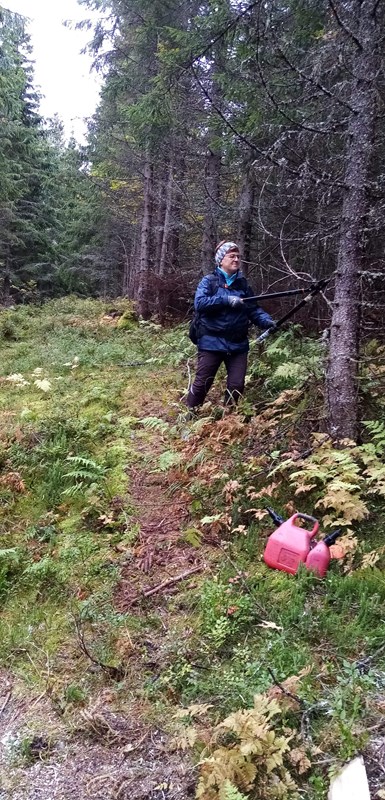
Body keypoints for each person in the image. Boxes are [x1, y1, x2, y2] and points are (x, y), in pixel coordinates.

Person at [186, 240, 276, 410]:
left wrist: (267, 321)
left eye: (238, 257)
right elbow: (200, 303)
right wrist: (226, 300)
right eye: (232, 256)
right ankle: (190, 416)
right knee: (202, 384)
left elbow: (254, 309)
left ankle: (228, 421)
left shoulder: (243, 284)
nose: (236, 260)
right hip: (211, 341)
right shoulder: (209, 281)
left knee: (236, 386)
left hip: (238, 344)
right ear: (221, 260)